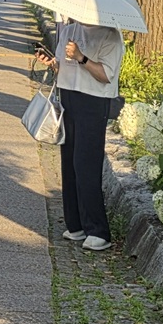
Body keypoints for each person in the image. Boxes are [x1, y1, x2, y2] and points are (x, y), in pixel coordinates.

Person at [38, 19, 125, 251]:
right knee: (69, 162)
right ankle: (75, 224)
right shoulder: (69, 30)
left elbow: (106, 74)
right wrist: (51, 62)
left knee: (86, 163)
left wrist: (81, 57)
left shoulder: (110, 35)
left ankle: (98, 230)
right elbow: (62, 68)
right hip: (69, 97)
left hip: (93, 101)